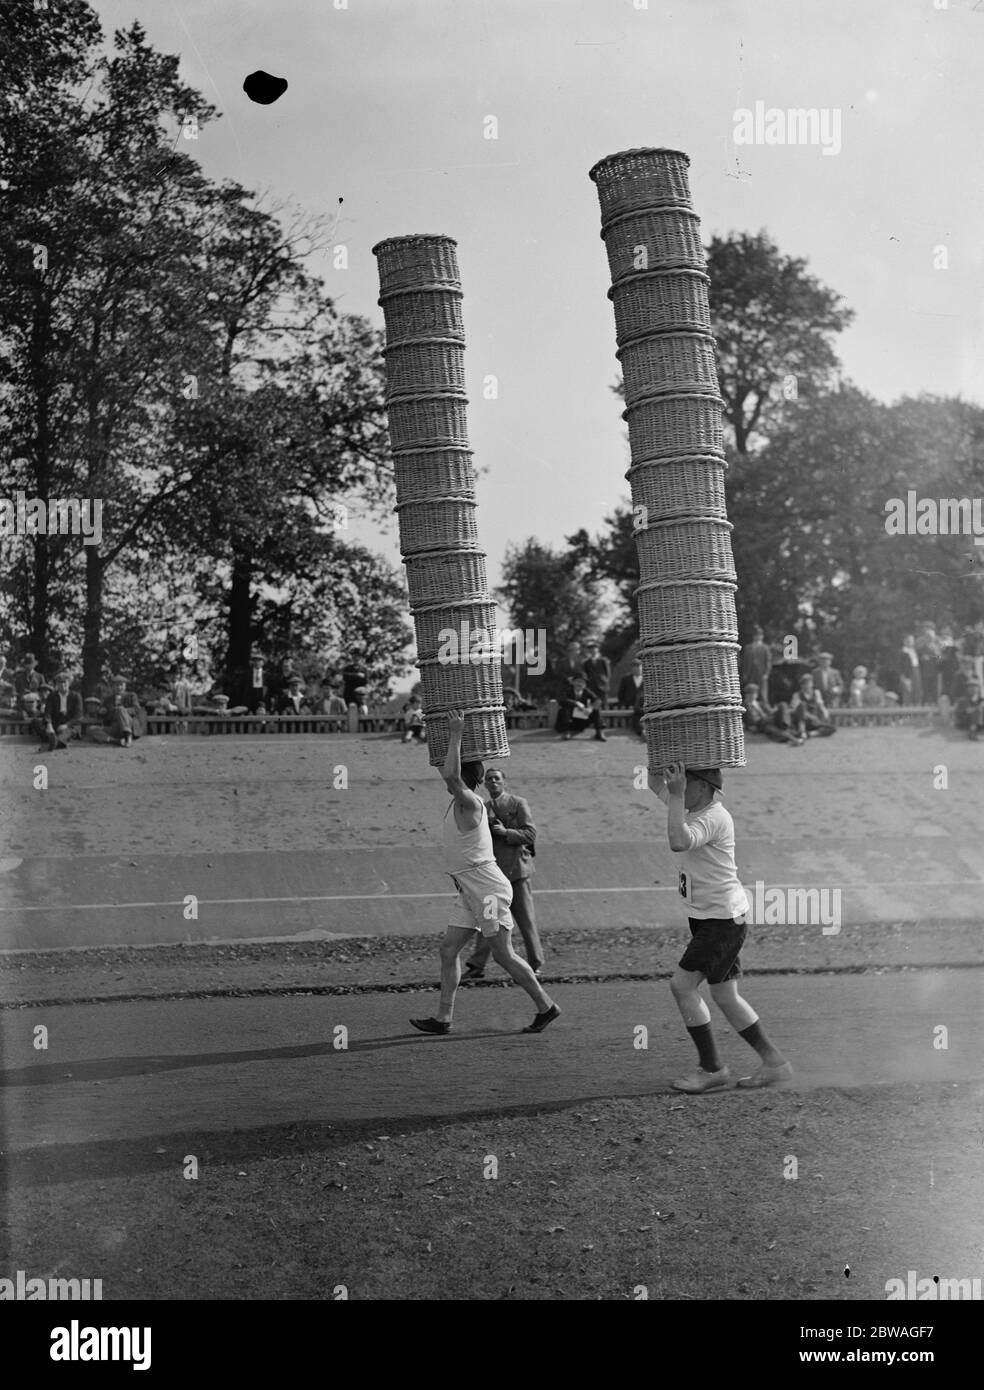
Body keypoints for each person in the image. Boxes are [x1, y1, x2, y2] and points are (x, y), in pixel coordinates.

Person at [409, 710, 560, 1036]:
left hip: (488, 889)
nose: (447, 777)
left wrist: (455, 733)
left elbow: (450, 775)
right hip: (470, 888)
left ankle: (546, 1007)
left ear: (465, 778)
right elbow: (446, 770)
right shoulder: (458, 802)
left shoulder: (472, 802)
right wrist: (438, 732)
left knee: (503, 954)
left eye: (455, 774)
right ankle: (443, 1018)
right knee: (448, 950)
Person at [650, 762, 792, 1092]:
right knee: (726, 996)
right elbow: (656, 783)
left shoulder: (714, 816)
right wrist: (657, 753)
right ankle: (776, 1064)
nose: (679, 786)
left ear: (701, 786)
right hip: (709, 918)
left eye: (686, 782)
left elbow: (678, 841)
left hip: (722, 920)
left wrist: (674, 794)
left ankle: (712, 1068)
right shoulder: (693, 805)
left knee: (682, 986)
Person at [461, 767, 544, 979]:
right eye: (489, 779)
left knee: (525, 920)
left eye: (496, 778)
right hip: (495, 875)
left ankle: (535, 963)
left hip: (518, 871)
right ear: (485, 784)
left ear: (504, 782)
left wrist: (506, 832)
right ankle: (477, 965)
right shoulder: (483, 807)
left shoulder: (518, 803)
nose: (493, 782)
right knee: (489, 920)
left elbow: (530, 833)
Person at [557, 675, 607, 741]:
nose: (580, 684)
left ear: (585, 685)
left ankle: (599, 733)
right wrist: (576, 703)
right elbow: (561, 699)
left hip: (582, 720)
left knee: (596, 710)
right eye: (578, 681)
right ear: (573, 682)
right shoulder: (568, 690)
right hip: (570, 722)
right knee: (564, 709)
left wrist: (590, 708)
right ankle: (566, 733)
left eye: (582, 682)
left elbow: (598, 700)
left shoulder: (586, 691)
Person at [42, 671, 84, 750]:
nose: (62, 685)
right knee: (39, 724)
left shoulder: (76, 696)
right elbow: (47, 713)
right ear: (57, 684)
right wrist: (49, 725)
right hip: (56, 722)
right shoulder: (52, 696)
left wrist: (66, 725)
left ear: (69, 683)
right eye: (60, 683)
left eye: (64, 682)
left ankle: (55, 742)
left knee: (67, 732)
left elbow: (78, 716)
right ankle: (54, 738)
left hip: (70, 723)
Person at [101, 676, 145, 747]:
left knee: (120, 709)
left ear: (125, 686)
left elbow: (136, 709)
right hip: (114, 727)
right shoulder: (108, 699)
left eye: (121, 685)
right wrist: (102, 712)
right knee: (91, 730)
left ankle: (127, 735)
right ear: (112, 687)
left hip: (129, 723)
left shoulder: (131, 695)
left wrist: (123, 711)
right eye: (116, 685)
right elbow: (104, 716)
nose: (119, 687)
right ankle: (117, 741)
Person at [739, 627, 772, 703]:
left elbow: (768, 662)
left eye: (759, 635)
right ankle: (750, 708)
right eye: (756, 635)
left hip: (761, 674)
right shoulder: (748, 647)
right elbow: (744, 662)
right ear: (753, 636)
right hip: (750, 673)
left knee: (762, 694)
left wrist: (766, 674)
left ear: (762, 636)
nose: (757, 637)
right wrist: (744, 674)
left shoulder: (765, 648)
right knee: (750, 691)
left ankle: (764, 708)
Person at [617, 657, 646, 737]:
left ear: (642, 667)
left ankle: (642, 731)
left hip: (642, 706)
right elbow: (620, 694)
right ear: (632, 668)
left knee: (639, 715)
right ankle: (642, 731)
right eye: (635, 667)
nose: (637, 669)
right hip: (629, 705)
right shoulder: (625, 679)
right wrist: (623, 705)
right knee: (635, 716)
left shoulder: (647, 678)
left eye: (639, 667)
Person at [582, 642, 611, 707]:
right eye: (591, 649)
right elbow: (586, 675)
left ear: (597, 650)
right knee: (593, 703)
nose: (593, 651)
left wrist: (606, 685)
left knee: (604, 704)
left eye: (594, 649)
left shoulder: (603, 661)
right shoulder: (586, 663)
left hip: (602, 686)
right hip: (591, 686)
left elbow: (608, 674)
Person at [898, 635, 921, 705]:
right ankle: (907, 710)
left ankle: (917, 708)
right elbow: (901, 666)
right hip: (907, 673)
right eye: (908, 641)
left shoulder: (914, 650)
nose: (910, 643)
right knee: (908, 691)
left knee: (917, 690)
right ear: (904, 642)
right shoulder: (903, 651)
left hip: (916, 671)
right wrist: (904, 676)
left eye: (911, 641)